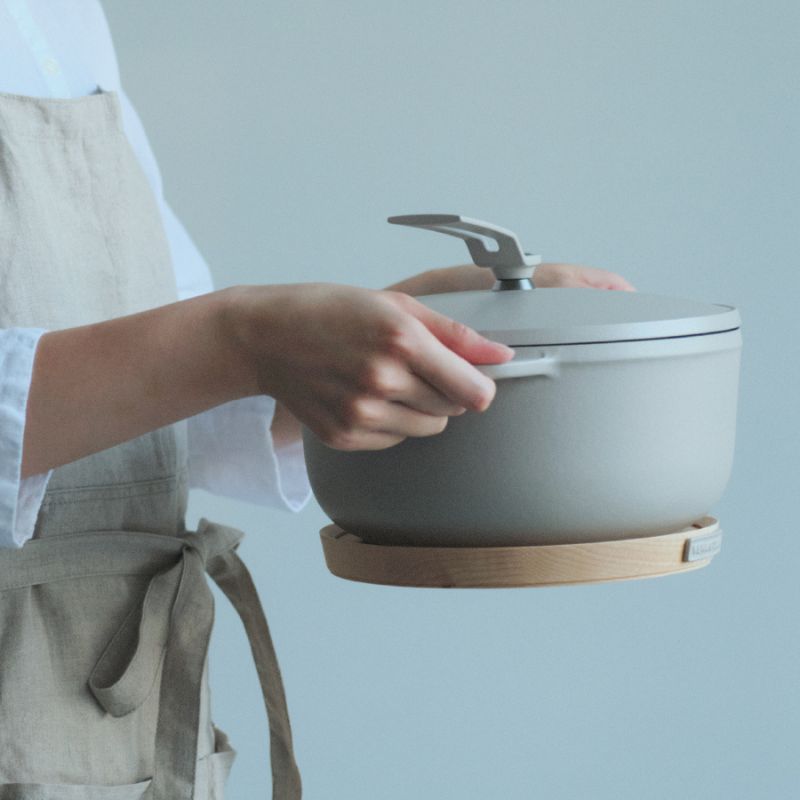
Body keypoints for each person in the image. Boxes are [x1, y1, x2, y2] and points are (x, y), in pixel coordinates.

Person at [0, 2, 635, 798]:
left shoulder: (65, 19)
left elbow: (159, 398)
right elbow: (206, 348)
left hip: (112, 723)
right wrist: (244, 340)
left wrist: (377, 343)